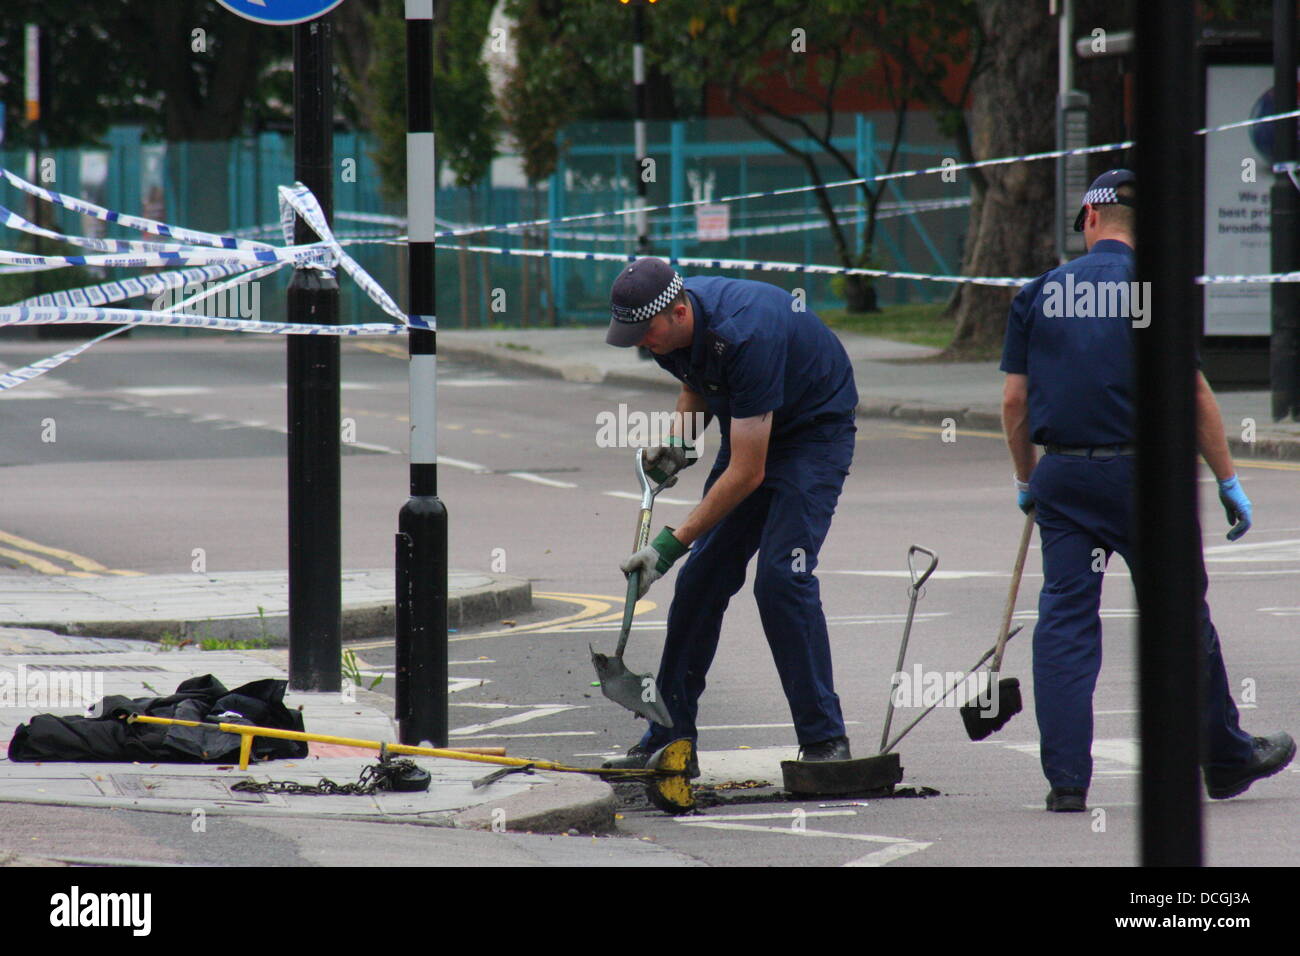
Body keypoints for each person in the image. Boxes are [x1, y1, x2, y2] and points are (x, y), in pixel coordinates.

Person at [1000, 168, 1295, 812]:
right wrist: (1229, 481)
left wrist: (1028, 479)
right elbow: (1190, 393)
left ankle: (1068, 782)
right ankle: (1223, 758)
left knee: (1066, 622)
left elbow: (1015, 400)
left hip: (1066, 477)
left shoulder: (1039, 292)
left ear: (1090, 220)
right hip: (1148, 481)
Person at [600, 257, 859, 772]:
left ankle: (826, 742)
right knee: (701, 582)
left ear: (678, 312)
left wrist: (669, 546)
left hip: (812, 434)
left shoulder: (746, 334)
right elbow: (695, 384)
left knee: (783, 579)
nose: (639, 344)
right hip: (753, 424)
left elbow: (747, 473)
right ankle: (670, 739)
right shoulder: (665, 334)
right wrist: (677, 444)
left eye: (645, 333)